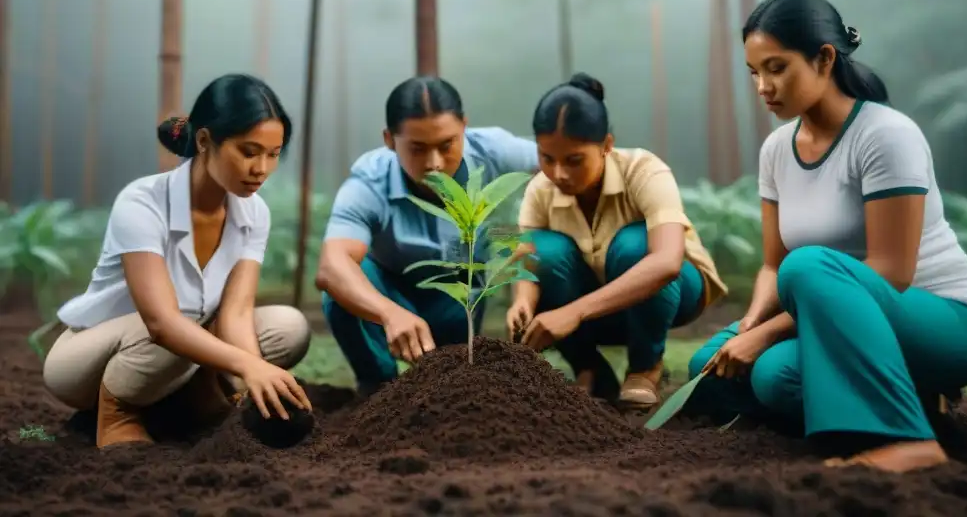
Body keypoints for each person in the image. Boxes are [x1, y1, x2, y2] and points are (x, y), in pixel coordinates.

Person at [687, 0, 967, 472]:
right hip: (833, 318)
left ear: (824, 58)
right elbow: (772, 264)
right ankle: (912, 391)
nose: (763, 87)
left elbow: (891, 272)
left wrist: (768, 333)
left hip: (944, 318)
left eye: (777, 68)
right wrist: (752, 323)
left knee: (807, 270)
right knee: (715, 369)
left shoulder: (885, 135)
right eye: (754, 73)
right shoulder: (777, 149)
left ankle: (907, 440)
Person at [43, 74, 313, 448]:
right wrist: (250, 366)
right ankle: (117, 412)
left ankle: (195, 398)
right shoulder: (142, 203)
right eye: (249, 152)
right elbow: (161, 323)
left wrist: (250, 386)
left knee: (288, 327)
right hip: (90, 360)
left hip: (172, 351)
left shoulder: (254, 212)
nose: (261, 169)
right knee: (179, 324)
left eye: (273, 153)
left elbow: (235, 314)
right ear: (204, 141)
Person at [507, 72, 727, 409]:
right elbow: (527, 258)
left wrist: (575, 312)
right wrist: (521, 301)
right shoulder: (541, 188)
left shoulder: (644, 170)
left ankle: (645, 367)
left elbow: (667, 263)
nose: (559, 173)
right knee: (543, 250)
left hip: (672, 296)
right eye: (547, 159)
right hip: (596, 306)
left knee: (634, 245)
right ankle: (590, 369)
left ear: (607, 146)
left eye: (574, 160)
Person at [315, 76, 538, 395]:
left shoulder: (492, 150)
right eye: (417, 149)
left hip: (459, 298)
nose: (434, 163)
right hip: (390, 290)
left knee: (455, 390)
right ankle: (379, 389)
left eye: (447, 145)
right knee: (348, 280)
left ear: (464, 126)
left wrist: (526, 227)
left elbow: (560, 162)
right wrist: (389, 313)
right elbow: (330, 266)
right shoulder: (370, 181)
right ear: (390, 140)